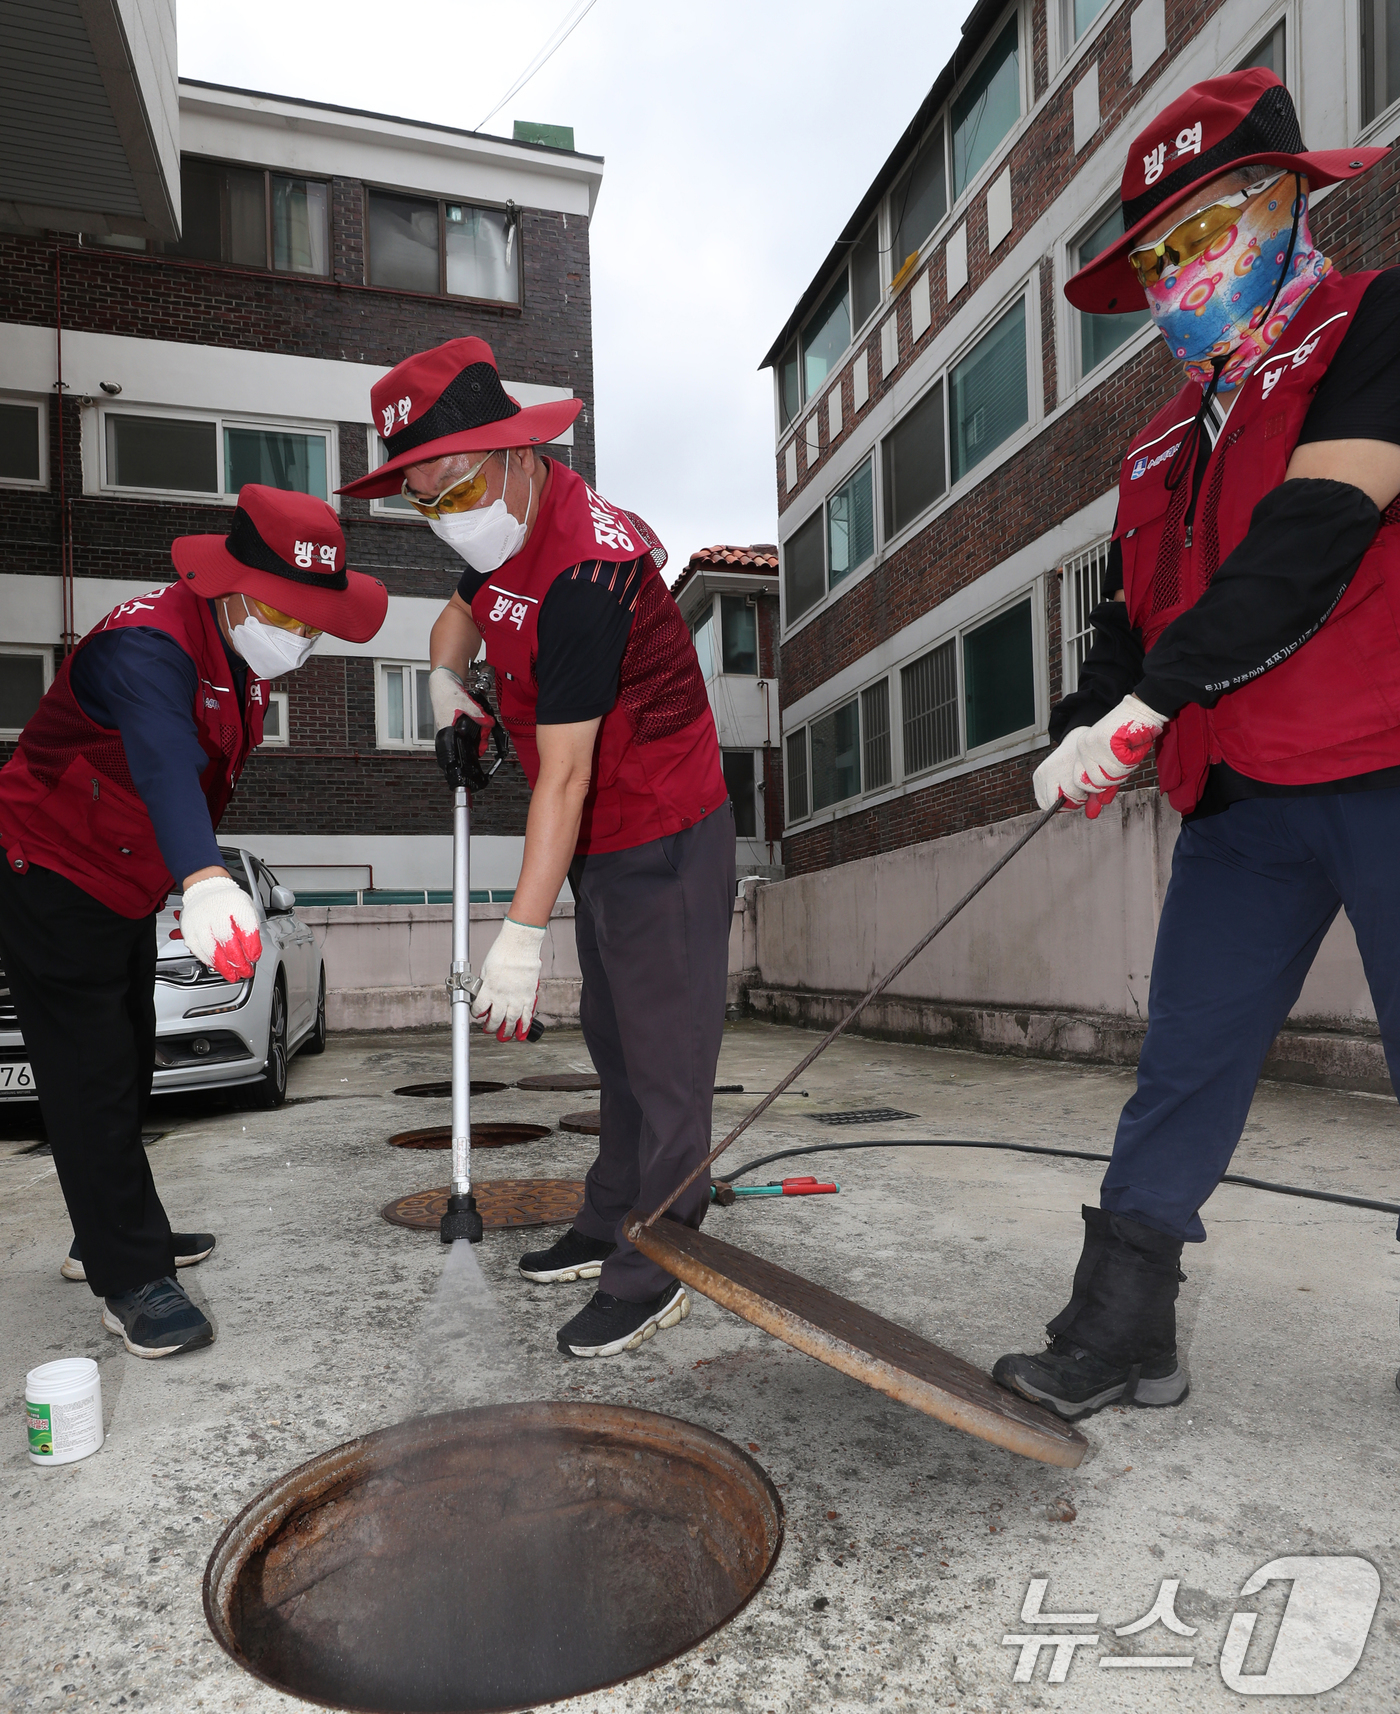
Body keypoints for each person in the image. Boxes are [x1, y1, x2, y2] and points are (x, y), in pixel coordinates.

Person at [992, 68, 1400, 1421]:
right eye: (1157, 254)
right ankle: (1123, 1327)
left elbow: (1317, 530)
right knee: (1186, 1057)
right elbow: (1129, 614)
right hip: (1243, 798)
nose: (1178, 272)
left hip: (1387, 754)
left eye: (1204, 227)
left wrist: (1145, 703)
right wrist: (1084, 720)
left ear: (1289, 201)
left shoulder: (1374, 322)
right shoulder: (1158, 438)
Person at [340, 337, 734, 1360]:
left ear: (518, 454)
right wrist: (445, 687)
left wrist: (518, 937)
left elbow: (560, 773)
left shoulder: (584, 571)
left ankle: (658, 1259)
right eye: (424, 497)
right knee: (613, 1042)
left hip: (664, 826)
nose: (447, 512)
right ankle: (608, 1215)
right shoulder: (493, 531)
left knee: (665, 1061)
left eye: (457, 483)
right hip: (598, 836)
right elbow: (457, 618)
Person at [0, 487, 387, 1358]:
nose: (305, 636)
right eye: (293, 614)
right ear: (234, 585)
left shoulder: (233, 647)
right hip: (52, 871)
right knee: (91, 1072)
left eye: (317, 621)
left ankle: (103, 1230)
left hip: (125, 881)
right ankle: (128, 1276)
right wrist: (206, 878)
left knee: (129, 1056)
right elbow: (167, 758)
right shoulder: (148, 645)